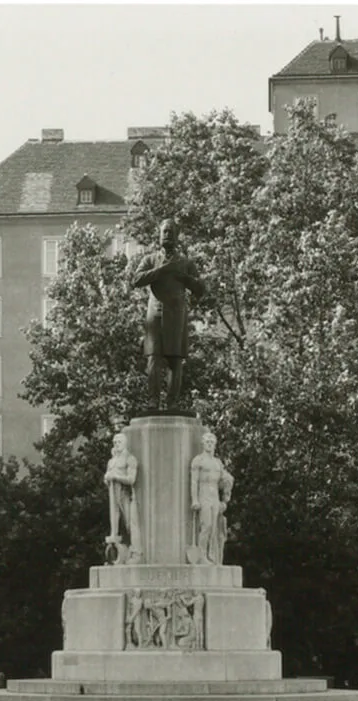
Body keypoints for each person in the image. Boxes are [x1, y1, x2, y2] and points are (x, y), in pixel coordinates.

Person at [130, 219, 208, 410]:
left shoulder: (185, 263)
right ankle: (153, 400)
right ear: (159, 235)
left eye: (171, 232)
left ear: (177, 236)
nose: (168, 235)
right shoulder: (150, 259)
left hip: (177, 314)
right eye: (165, 231)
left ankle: (172, 402)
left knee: (175, 359)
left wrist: (184, 278)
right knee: (153, 357)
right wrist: (162, 270)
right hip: (155, 314)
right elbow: (136, 279)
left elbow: (201, 289)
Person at [190, 431, 234, 565]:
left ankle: (212, 556)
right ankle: (202, 555)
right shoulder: (198, 460)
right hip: (203, 493)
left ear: (215, 445)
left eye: (212, 442)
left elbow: (225, 480)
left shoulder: (217, 463)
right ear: (203, 444)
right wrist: (195, 499)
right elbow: (194, 481)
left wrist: (225, 498)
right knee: (206, 525)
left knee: (214, 528)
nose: (209, 444)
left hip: (214, 494)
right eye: (207, 442)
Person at [104, 431, 142, 563]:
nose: (116, 444)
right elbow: (107, 476)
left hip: (126, 493)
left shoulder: (129, 459)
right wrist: (107, 478)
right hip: (113, 491)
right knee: (114, 517)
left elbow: (131, 479)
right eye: (114, 442)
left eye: (119, 442)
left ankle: (136, 551)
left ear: (125, 443)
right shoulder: (112, 461)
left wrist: (115, 477)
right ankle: (114, 538)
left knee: (129, 522)